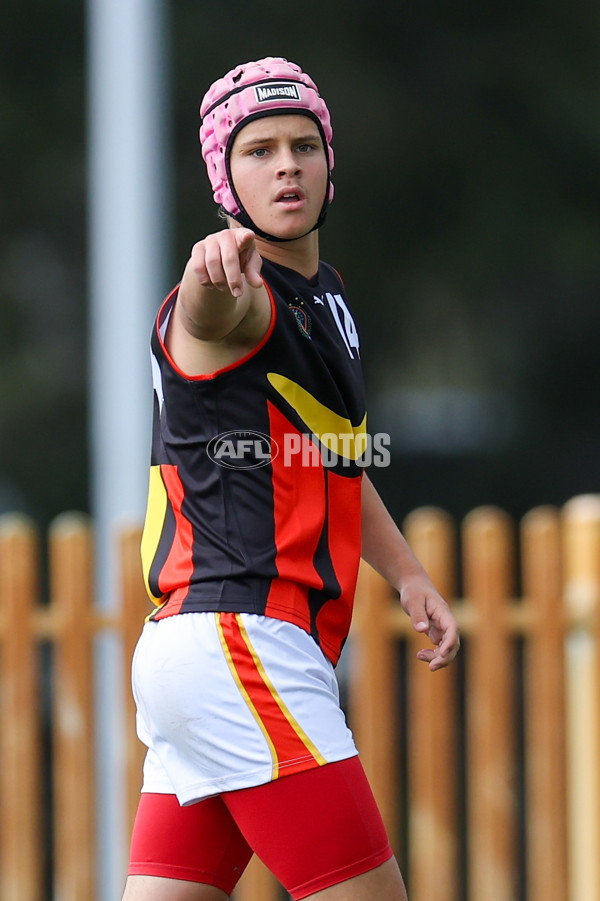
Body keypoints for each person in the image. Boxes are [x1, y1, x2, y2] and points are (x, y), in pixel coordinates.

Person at [123, 57, 460, 901]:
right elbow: (210, 314)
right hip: (243, 637)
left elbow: (333, 457)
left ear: (328, 163)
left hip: (197, 651)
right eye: (259, 150)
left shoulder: (325, 296)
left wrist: (409, 573)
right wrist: (208, 275)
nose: (286, 166)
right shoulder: (234, 297)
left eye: (303, 146)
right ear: (222, 179)